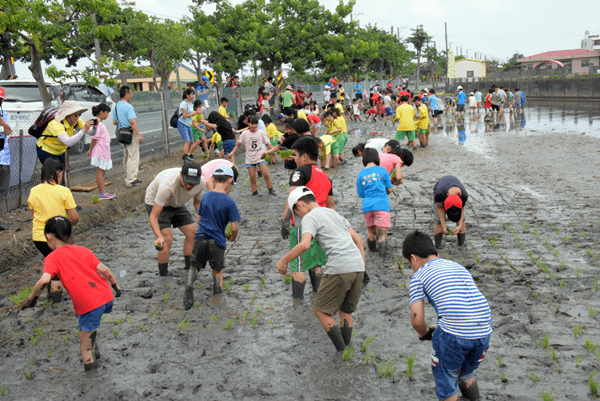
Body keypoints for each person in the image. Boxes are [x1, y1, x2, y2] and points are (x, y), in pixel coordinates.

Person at [19, 216, 122, 371]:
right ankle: (92, 342)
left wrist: (32, 299)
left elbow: (44, 281)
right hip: (105, 295)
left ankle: (92, 376)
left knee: (85, 349)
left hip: (90, 302)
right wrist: (116, 285)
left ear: (49, 237)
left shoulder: (52, 257)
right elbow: (104, 269)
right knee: (82, 315)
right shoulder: (83, 250)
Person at [403, 230, 492, 401]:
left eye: (409, 263)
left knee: (446, 380)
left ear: (413, 258)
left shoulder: (419, 276)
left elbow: (417, 320)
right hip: (484, 332)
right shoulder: (457, 266)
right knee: (467, 373)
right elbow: (463, 305)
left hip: (455, 336)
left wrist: (423, 332)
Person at [277, 186, 365, 352]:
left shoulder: (310, 216)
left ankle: (341, 352)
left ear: (300, 205)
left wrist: (284, 260)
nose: (300, 218)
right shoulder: (333, 213)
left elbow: (304, 244)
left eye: (297, 214)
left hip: (339, 267)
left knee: (320, 310)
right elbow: (359, 240)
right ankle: (347, 350)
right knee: (345, 310)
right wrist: (363, 268)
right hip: (358, 265)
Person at [280, 137, 334, 299]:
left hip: (302, 224)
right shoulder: (325, 176)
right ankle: (319, 298)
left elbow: (292, 198)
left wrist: (285, 220)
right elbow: (331, 205)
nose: (294, 159)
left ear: (304, 157)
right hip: (321, 224)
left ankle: (297, 304)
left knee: (297, 265)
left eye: (295, 155)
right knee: (316, 262)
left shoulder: (299, 172)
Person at [184, 164, 240, 306]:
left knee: (194, 266)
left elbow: (198, 220)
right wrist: (233, 236)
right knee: (217, 270)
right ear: (229, 181)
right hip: (217, 241)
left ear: (213, 179)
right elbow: (234, 227)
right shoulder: (230, 202)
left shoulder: (205, 197)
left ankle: (189, 285)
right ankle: (217, 295)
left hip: (201, 237)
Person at [28, 158, 79, 302]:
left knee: (53, 263)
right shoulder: (63, 191)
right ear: (57, 174)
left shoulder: (34, 191)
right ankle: (54, 298)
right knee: (58, 268)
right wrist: (67, 224)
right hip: (57, 237)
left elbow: (34, 214)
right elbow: (74, 216)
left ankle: (53, 296)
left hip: (39, 237)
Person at [145, 161, 206, 276]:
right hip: (156, 202)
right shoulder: (168, 186)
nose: (189, 186)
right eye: (187, 182)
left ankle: (189, 268)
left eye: (192, 184)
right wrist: (159, 237)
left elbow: (197, 202)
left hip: (176, 203)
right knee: (166, 238)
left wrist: (206, 219)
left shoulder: (201, 182)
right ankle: (163, 275)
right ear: (180, 175)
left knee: (192, 233)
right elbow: (153, 216)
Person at [37, 101, 93, 185]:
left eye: (79, 114)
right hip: (46, 150)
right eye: (75, 114)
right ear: (68, 115)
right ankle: (50, 196)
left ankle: (62, 196)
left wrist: (94, 127)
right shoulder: (56, 124)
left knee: (61, 177)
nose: (78, 117)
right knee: (53, 178)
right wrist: (84, 129)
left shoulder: (76, 120)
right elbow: (68, 142)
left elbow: (91, 132)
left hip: (60, 151)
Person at [227, 116, 276, 196]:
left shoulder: (260, 132)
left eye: (255, 124)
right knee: (252, 177)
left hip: (260, 157)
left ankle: (271, 190)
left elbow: (267, 144)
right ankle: (255, 192)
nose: (254, 126)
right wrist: (232, 152)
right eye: (252, 124)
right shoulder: (244, 134)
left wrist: (275, 149)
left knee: (266, 174)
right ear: (248, 124)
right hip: (250, 159)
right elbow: (238, 145)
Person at [357, 149, 393, 255]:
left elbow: (361, 194)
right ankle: (382, 258)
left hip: (367, 207)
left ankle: (372, 254)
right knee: (382, 233)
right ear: (377, 158)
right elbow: (390, 189)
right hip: (382, 205)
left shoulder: (360, 174)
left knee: (371, 232)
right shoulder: (382, 171)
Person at [113, 86, 143, 187]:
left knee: (126, 156)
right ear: (126, 94)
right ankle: (131, 180)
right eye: (131, 94)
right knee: (133, 156)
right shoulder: (129, 106)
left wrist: (121, 121)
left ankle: (127, 177)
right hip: (130, 133)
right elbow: (132, 121)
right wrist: (138, 135)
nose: (131, 96)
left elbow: (114, 122)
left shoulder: (116, 106)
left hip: (121, 133)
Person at [87, 103, 115, 200]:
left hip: (102, 151)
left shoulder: (98, 122)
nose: (107, 115)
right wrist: (90, 149)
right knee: (100, 172)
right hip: (100, 151)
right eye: (106, 112)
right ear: (101, 112)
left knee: (101, 172)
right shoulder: (97, 123)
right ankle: (102, 193)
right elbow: (94, 138)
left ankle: (103, 192)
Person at [433, 175, 468, 249]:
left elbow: (462, 209)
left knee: (462, 220)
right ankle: (437, 247)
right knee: (438, 221)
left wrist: (460, 225)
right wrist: (443, 225)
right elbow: (440, 208)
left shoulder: (464, 195)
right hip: (442, 188)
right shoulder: (439, 193)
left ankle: (461, 245)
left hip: (452, 188)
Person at [178, 88, 202, 161]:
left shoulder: (191, 103)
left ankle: (187, 155)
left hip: (188, 124)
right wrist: (195, 113)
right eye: (191, 94)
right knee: (187, 141)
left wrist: (197, 112)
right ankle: (185, 158)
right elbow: (184, 115)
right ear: (187, 95)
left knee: (191, 141)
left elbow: (192, 113)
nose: (193, 96)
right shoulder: (184, 103)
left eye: (193, 94)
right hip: (182, 123)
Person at [0, 87, 12, 197]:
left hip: (3, 157)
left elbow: (8, 131)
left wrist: (1, 120)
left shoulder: (5, 115)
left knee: (3, 190)